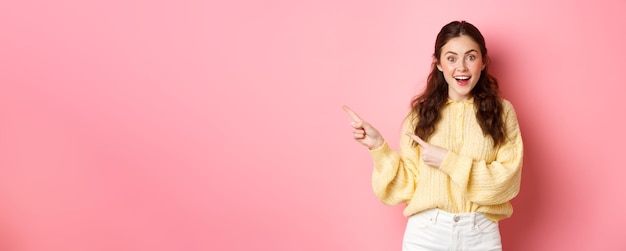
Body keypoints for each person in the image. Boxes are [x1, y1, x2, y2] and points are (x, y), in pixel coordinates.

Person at [343, 20, 523, 251]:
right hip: (426, 234)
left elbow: (506, 181)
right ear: (438, 64)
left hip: (480, 235)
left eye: (470, 57)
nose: (461, 67)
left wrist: (449, 161)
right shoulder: (420, 114)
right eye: (451, 58)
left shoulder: (502, 111)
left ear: (483, 62)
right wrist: (379, 148)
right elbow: (406, 186)